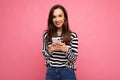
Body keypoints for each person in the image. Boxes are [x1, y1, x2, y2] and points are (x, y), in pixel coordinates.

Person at [42, 4, 78, 80]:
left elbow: (74, 59)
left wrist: (66, 50)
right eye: (54, 17)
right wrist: (50, 50)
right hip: (51, 72)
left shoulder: (73, 35)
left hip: (67, 71)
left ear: (65, 18)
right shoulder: (46, 35)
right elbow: (45, 56)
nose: (57, 19)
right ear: (51, 19)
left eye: (60, 16)